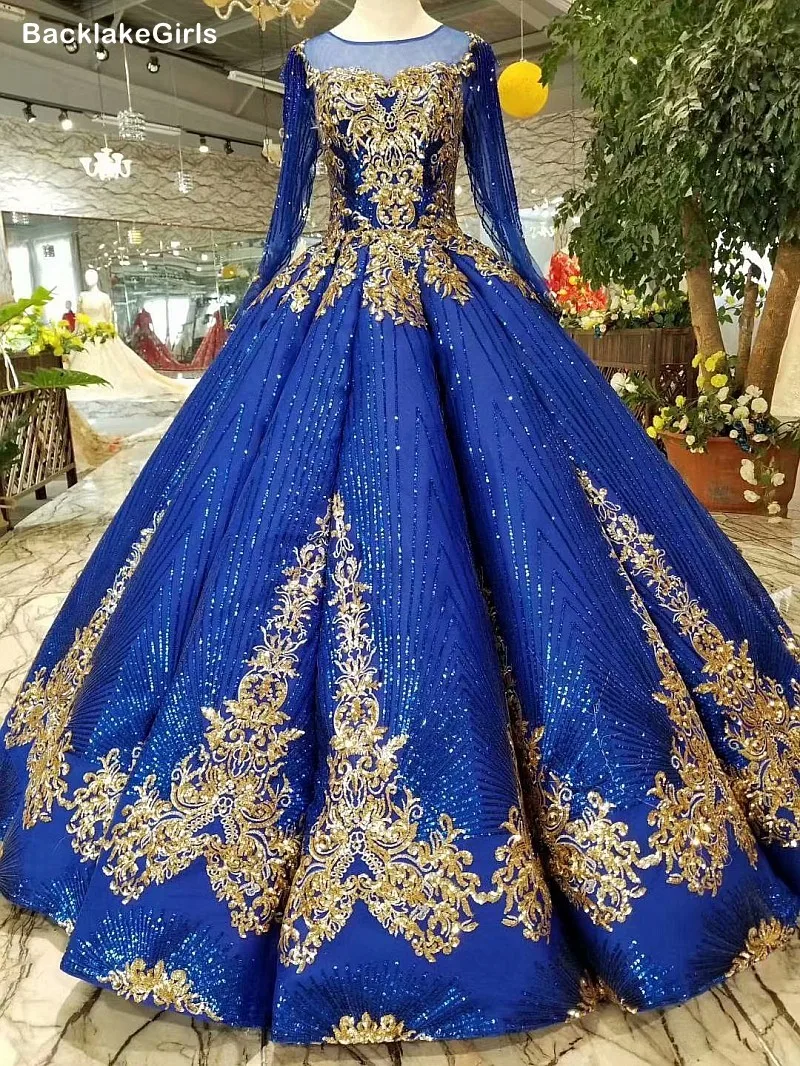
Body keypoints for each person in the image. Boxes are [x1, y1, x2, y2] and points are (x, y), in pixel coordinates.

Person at [0, 1, 798, 1047]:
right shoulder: (306, 63)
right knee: (247, 561)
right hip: (327, 304)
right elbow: (291, 213)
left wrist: (531, 314)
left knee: (546, 543)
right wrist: (267, 310)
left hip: (452, 296)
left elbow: (493, 204)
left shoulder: (468, 57)